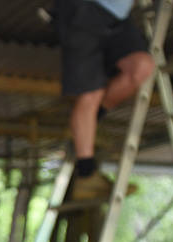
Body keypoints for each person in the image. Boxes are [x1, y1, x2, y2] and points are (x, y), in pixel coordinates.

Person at [55, 0, 155, 198]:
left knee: (142, 67)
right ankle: (86, 175)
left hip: (117, 17)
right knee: (91, 93)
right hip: (82, 10)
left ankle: (91, 119)